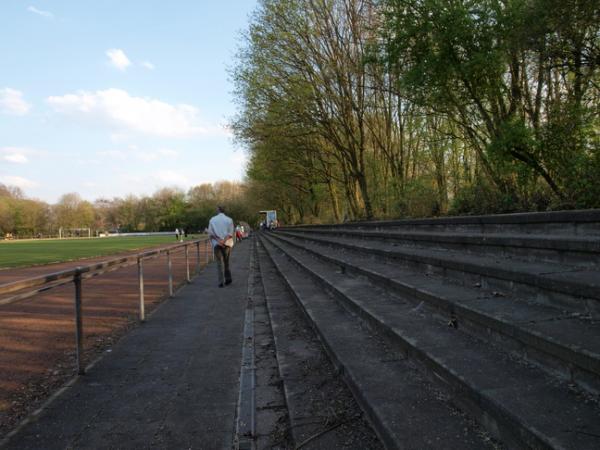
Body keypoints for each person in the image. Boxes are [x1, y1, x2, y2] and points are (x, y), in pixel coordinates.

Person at [208, 205, 234, 287]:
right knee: (226, 262)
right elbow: (230, 234)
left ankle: (220, 282)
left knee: (219, 263)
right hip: (227, 243)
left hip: (217, 243)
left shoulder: (212, 219)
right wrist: (224, 241)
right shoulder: (229, 220)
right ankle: (228, 278)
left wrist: (219, 240)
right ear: (224, 211)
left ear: (218, 210)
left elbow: (211, 233)